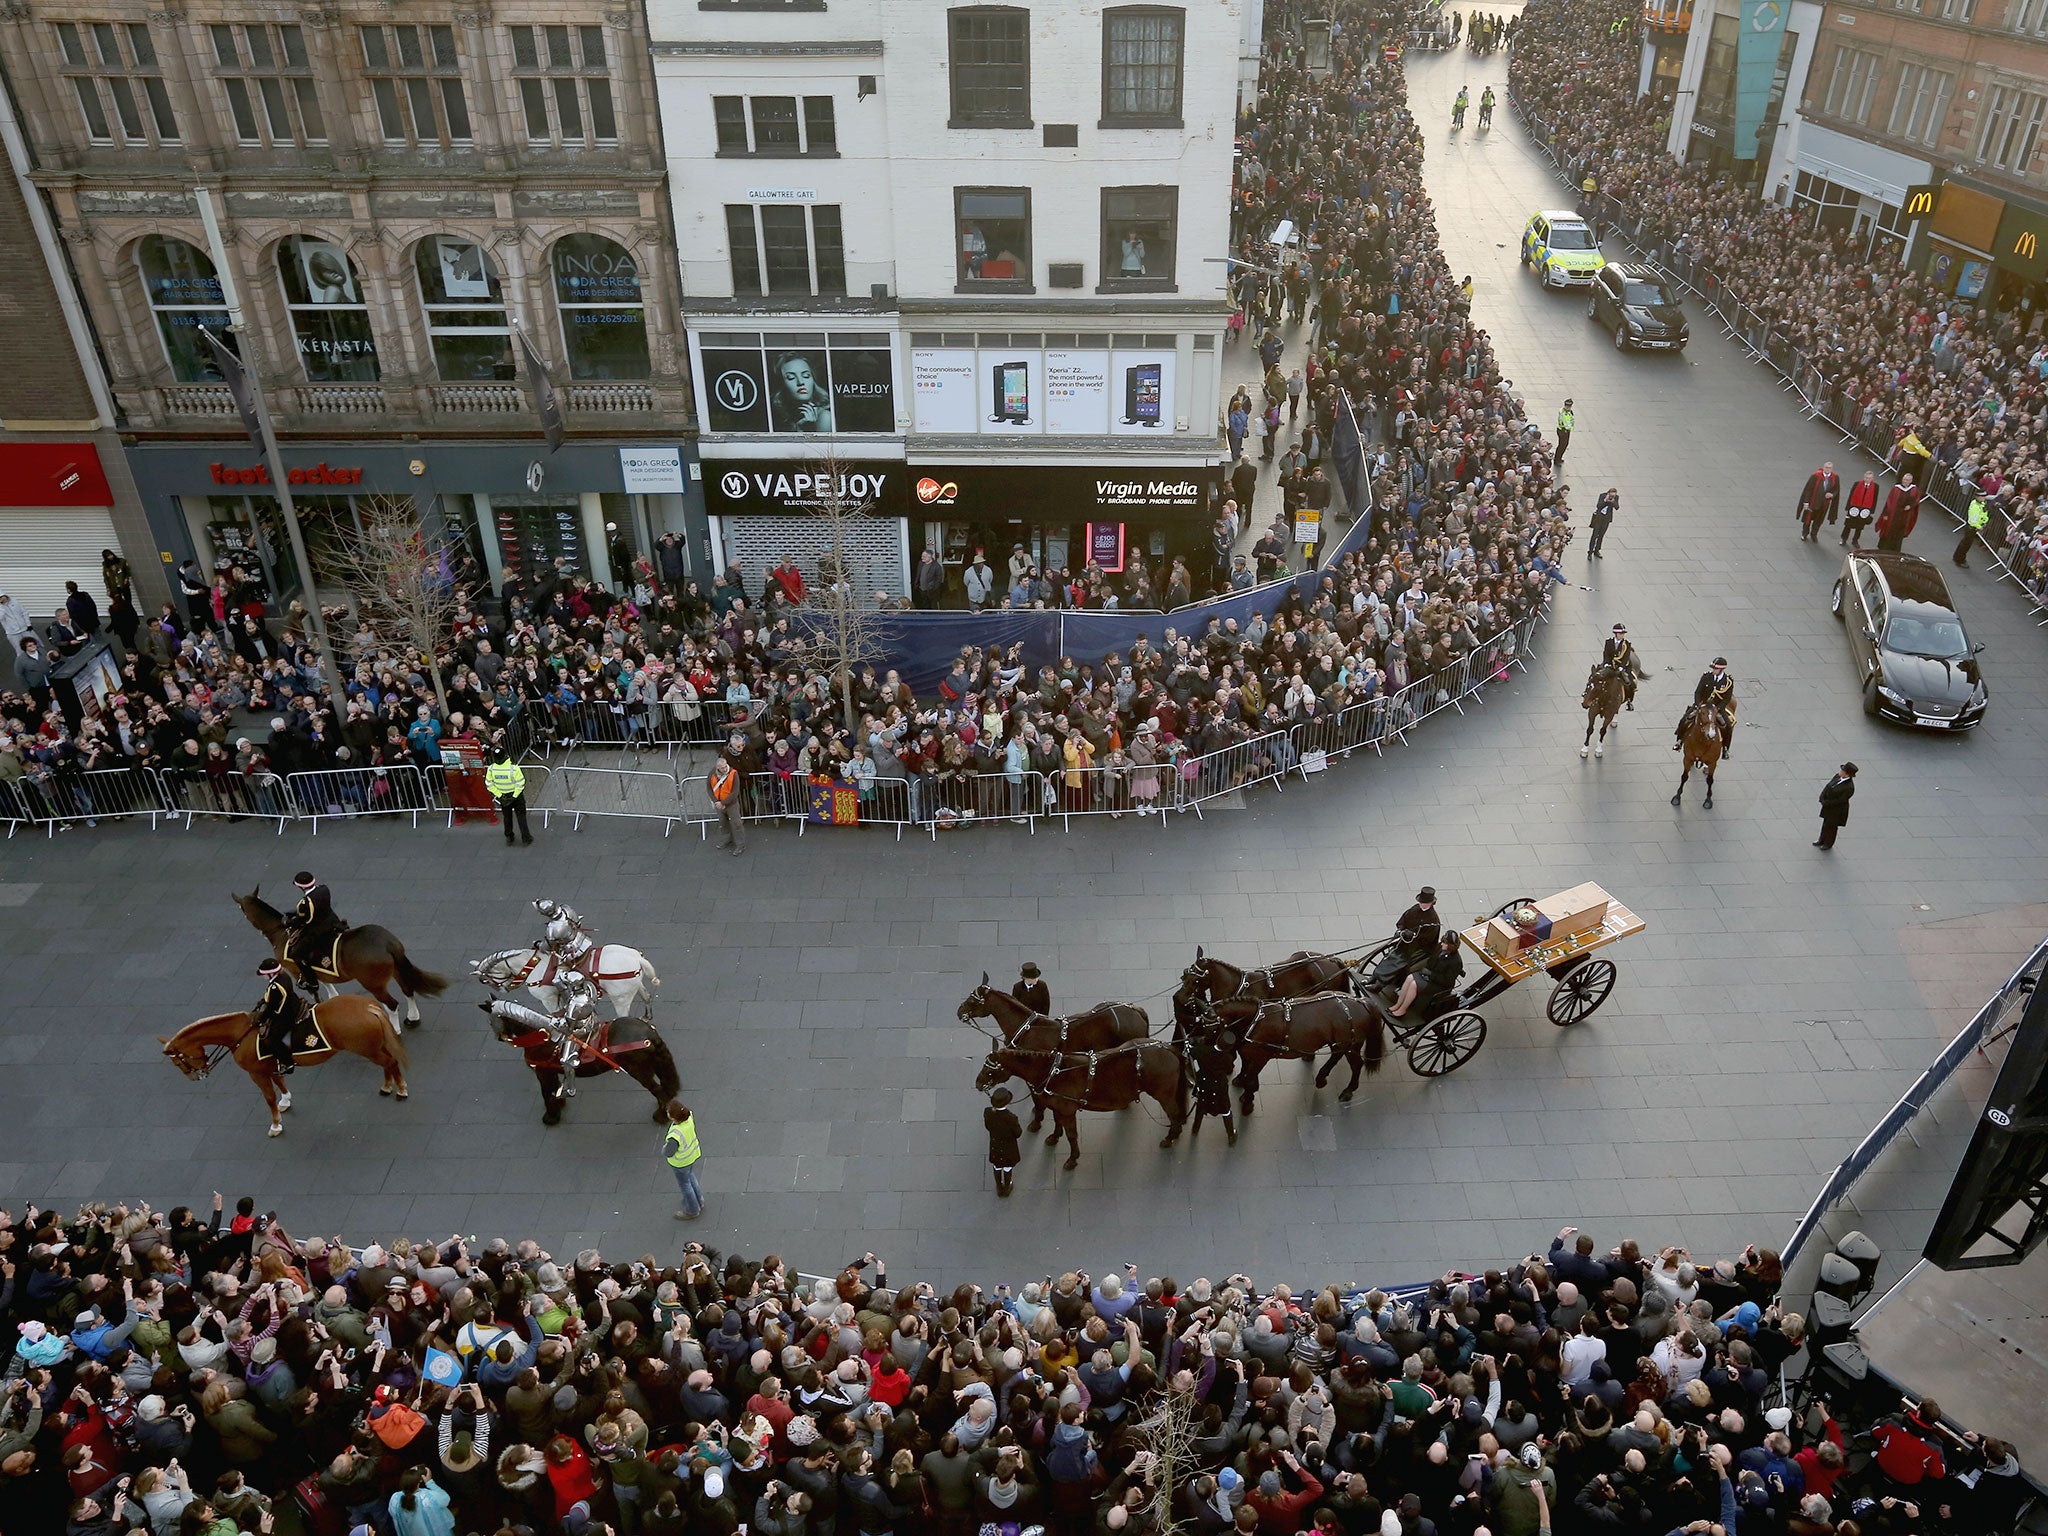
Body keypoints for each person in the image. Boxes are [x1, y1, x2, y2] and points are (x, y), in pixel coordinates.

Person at [282, 870, 343, 983]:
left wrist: (288, 923)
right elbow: (318, 908)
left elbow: (305, 920)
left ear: (301, 887)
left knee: (296, 954)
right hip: (332, 921)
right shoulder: (323, 888)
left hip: (319, 930)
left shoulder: (305, 902)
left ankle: (311, 982)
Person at [1387, 931, 1464, 1019]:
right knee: (1409, 978)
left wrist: (1430, 974)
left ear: (1450, 946)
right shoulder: (1440, 948)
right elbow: (1431, 961)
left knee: (1413, 985)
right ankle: (1398, 1005)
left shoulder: (1456, 962)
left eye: (1445, 943)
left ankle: (1403, 1009)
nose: (1442, 943)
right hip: (1429, 976)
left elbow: (1447, 981)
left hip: (1439, 985)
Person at [1186, 1014, 1238, 1144]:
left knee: (1201, 1107)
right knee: (1226, 1110)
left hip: (1204, 1083)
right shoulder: (1227, 1058)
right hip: (1220, 1086)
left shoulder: (1202, 1051)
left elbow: (1191, 1051)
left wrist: (1189, 1044)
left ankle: (1195, 1128)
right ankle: (1231, 1135)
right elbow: (1228, 1068)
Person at [251, 956, 307, 1075]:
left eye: (264, 974)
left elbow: (271, 1008)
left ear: (271, 974)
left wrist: (260, 1019)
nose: (263, 976)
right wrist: (264, 1000)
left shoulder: (275, 987)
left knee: (273, 1038)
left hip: (286, 1015)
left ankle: (287, 1063)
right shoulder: (283, 976)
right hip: (293, 1003)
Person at [1675, 657, 1737, 757]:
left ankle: (1725, 749)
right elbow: (1698, 692)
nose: (1713, 671)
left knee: (1728, 726)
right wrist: (1698, 704)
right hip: (1702, 705)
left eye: (1715, 669)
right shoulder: (1706, 677)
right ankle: (1679, 741)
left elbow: (1727, 698)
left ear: (1721, 670)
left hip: (1717, 708)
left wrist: (1718, 708)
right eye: (1713, 668)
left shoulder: (1728, 681)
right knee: (1684, 720)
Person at [486, 738, 532, 847]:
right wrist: (515, 795)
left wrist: (500, 795)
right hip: (516, 797)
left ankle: (509, 837)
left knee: (507, 817)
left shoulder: (491, 769)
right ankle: (526, 838)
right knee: (521, 817)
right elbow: (520, 783)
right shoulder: (514, 769)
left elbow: (489, 784)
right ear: (506, 755)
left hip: (503, 797)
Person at [664, 1102, 705, 1220]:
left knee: (685, 1185)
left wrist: (664, 1149)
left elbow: (669, 1152)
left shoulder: (675, 1134)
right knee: (691, 1177)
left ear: (673, 1117)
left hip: (680, 1162)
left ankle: (692, 1209)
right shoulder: (689, 1117)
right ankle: (699, 1200)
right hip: (691, 1156)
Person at [709, 735, 745, 855]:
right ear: (717, 768)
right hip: (719, 803)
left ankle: (740, 845)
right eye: (722, 768)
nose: (724, 769)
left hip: (731, 803)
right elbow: (709, 788)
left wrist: (722, 803)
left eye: (725, 767)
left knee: (737, 824)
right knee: (722, 823)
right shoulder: (712, 774)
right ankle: (727, 839)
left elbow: (735, 792)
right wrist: (715, 801)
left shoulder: (733, 774)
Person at [984, 1088, 1022, 1197]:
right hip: (1008, 1147)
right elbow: (1018, 1133)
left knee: (997, 1166)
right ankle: (1007, 1186)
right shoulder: (1011, 1118)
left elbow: (988, 1127)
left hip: (995, 1145)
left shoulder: (988, 1112)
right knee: (1007, 1167)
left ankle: (999, 1187)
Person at [1601, 623, 1644, 709]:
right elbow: (1606, 653)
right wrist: (1606, 663)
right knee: (1598, 677)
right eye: (1620, 634)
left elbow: (1626, 657)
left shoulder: (1627, 644)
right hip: (1610, 665)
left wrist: (1621, 667)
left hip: (1623, 666)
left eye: (1623, 634)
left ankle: (1629, 700)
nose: (1622, 635)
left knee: (1630, 682)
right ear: (1616, 634)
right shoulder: (1609, 642)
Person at [1815, 763, 1857, 850]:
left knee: (1832, 827)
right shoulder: (1837, 776)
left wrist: (1826, 802)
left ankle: (1828, 843)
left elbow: (1840, 800)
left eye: (1843, 770)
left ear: (1847, 774)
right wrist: (1822, 797)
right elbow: (1828, 786)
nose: (1840, 771)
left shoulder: (1849, 787)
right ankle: (1821, 840)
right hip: (1828, 806)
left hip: (1836, 810)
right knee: (1826, 824)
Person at [1875, 473, 1920, 552]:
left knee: (1899, 533)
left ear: (1911, 481)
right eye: (1904, 479)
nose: (1905, 481)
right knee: (1889, 530)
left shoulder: (1914, 490)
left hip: (1904, 516)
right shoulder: (1896, 489)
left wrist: (1910, 506)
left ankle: (1895, 549)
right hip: (1894, 514)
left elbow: (1916, 501)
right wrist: (1885, 514)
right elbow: (1889, 502)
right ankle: (1884, 547)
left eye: (1907, 480)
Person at [1796, 462, 1840, 542]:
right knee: (1807, 520)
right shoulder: (1816, 476)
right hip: (1813, 502)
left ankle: (1814, 534)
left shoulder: (1835, 478)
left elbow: (1836, 489)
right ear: (1823, 467)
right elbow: (1808, 489)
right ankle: (1805, 533)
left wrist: (1832, 494)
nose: (1827, 469)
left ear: (1832, 469)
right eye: (1826, 467)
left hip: (1824, 504)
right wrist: (1806, 502)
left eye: (1829, 468)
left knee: (1818, 521)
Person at [1843, 470, 1879, 546]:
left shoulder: (1876, 487)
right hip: (1854, 507)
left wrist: (1871, 511)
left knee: (1860, 526)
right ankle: (1844, 539)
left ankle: (1855, 540)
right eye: (1866, 477)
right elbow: (1851, 495)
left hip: (1865, 509)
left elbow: (1875, 499)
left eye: (1869, 478)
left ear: (1872, 479)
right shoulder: (1857, 484)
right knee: (1848, 525)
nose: (1867, 479)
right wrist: (1848, 507)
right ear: (1864, 477)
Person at [1956, 491, 1991, 567]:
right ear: (1978, 497)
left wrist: (1984, 521)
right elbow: (1973, 520)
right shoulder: (1975, 506)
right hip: (1971, 528)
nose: (1984, 498)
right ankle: (1960, 560)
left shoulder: (1981, 504)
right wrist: (1980, 527)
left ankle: (1957, 557)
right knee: (1966, 545)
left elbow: (1983, 514)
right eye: (1982, 496)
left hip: (1972, 527)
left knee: (1964, 542)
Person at [1587, 488, 1617, 557]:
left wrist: (1613, 502)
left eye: (1614, 495)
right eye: (1611, 494)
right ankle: (1590, 551)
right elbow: (1598, 506)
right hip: (1599, 518)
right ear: (1608, 493)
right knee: (1594, 535)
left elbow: (1617, 507)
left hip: (1606, 519)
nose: (1612, 496)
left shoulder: (1616, 498)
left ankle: (1597, 550)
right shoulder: (1602, 496)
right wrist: (1605, 501)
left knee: (1601, 535)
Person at [1555, 399, 1574, 467]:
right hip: (1563, 430)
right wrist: (1567, 428)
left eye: (1569, 406)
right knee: (1561, 446)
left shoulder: (1569, 412)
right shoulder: (1563, 412)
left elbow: (1571, 419)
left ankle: (1559, 458)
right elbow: (1564, 422)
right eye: (1567, 405)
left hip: (1567, 430)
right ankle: (1557, 459)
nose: (1568, 407)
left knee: (1565, 445)